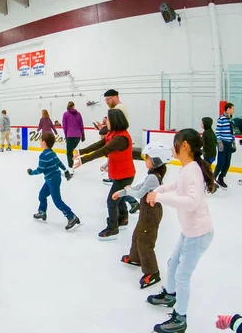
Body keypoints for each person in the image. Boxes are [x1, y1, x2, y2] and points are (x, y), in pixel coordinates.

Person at [146, 128, 215, 333]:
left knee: (182, 275)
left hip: (199, 232)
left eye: (175, 142)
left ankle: (180, 318)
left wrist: (158, 198)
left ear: (184, 145)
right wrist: (159, 190)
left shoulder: (192, 169)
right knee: (172, 263)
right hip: (190, 230)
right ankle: (171, 294)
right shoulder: (188, 168)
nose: (172, 147)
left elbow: (192, 202)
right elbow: (178, 184)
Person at [73, 109, 135, 240]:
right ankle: (123, 219)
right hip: (120, 173)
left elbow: (103, 150)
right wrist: (81, 151)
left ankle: (113, 228)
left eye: (108, 120)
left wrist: (83, 160)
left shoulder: (121, 138)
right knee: (120, 198)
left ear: (115, 121)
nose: (106, 122)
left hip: (125, 175)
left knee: (112, 201)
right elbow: (100, 144)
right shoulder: (112, 133)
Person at [116, 143, 171, 289]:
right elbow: (139, 187)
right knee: (137, 234)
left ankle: (152, 272)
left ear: (156, 160)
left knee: (145, 241)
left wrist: (127, 190)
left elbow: (139, 193)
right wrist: (122, 192)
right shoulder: (151, 176)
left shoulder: (153, 177)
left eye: (148, 158)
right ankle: (135, 258)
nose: (145, 160)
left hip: (151, 213)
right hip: (147, 211)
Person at [27, 133, 80, 230]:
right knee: (42, 195)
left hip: (52, 180)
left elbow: (40, 169)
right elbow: (59, 162)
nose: (40, 142)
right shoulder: (52, 152)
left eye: (41, 140)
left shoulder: (43, 155)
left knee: (57, 201)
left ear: (44, 142)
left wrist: (31, 172)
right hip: (53, 178)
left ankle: (71, 216)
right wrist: (66, 171)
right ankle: (42, 212)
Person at [214, 103, 236, 189]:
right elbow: (218, 132)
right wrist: (220, 143)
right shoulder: (221, 118)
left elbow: (232, 132)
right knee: (221, 162)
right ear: (228, 109)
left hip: (229, 143)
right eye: (233, 108)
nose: (234, 110)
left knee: (227, 163)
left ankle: (221, 178)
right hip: (223, 143)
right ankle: (212, 178)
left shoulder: (231, 120)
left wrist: (233, 143)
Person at [62, 101, 85, 171]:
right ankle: (71, 167)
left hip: (70, 136)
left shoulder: (65, 114)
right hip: (78, 136)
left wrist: (66, 136)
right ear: (74, 106)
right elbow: (81, 125)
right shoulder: (78, 114)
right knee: (71, 151)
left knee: (69, 152)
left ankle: (70, 168)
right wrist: (83, 135)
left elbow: (64, 126)